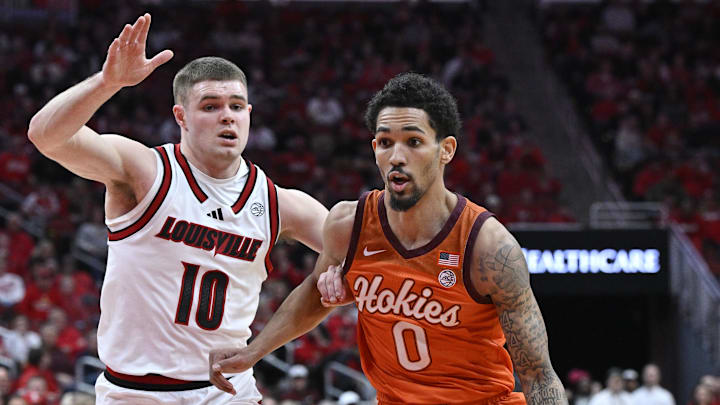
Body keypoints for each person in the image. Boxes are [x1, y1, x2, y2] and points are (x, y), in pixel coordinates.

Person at [209, 73, 567, 404]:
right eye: (385, 142)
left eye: (413, 141)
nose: (396, 156)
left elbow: (539, 375)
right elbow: (315, 293)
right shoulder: (348, 223)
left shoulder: (488, 247)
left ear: (446, 149)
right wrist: (252, 352)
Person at [27, 13, 327, 404]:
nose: (227, 116)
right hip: (135, 393)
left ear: (249, 115)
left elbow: (366, 251)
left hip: (228, 391)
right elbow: (45, 136)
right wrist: (107, 82)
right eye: (211, 106)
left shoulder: (279, 203)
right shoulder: (145, 172)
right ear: (181, 117)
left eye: (237, 106)